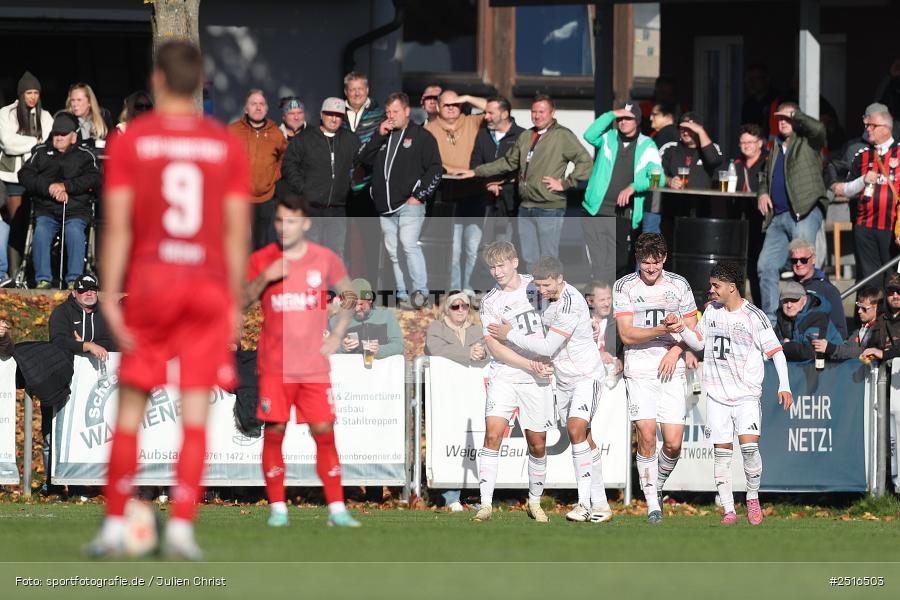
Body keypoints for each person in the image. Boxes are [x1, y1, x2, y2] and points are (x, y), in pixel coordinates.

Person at [88, 40, 251, 559]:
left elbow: (116, 225)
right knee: (197, 413)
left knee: (132, 405)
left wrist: (112, 294)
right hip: (204, 286)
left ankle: (115, 522)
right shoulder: (223, 143)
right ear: (200, 83)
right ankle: (181, 526)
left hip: (155, 282)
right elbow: (235, 231)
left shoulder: (136, 138)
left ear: (157, 80)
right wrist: (234, 303)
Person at [243, 193, 360, 528]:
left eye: (291, 221)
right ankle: (278, 509)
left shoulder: (323, 258)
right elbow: (239, 300)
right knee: (275, 431)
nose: (284, 227)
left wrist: (336, 334)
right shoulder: (262, 258)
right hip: (274, 366)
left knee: (324, 432)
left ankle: (337, 509)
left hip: (313, 367)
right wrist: (265, 278)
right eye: (279, 220)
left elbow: (350, 294)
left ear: (305, 224)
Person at [488, 256, 613, 524]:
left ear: (560, 278)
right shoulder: (543, 295)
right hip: (564, 379)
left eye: (546, 285)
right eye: (538, 285)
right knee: (586, 439)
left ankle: (584, 504)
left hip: (586, 376)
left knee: (576, 430)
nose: (541, 291)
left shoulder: (570, 303)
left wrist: (507, 333)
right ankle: (602, 505)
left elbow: (546, 347)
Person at [674, 261, 793, 526]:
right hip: (717, 395)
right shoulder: (712, 312)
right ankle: (729, 509)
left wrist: (783, 385)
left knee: (750, 449)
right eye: (711, 285)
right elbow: (699, 342)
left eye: (716, 286)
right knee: (722, 453)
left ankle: (752, 497)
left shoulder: (754, 316)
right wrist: (681, 329)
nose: (712, 290)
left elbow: (777, 353)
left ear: (732, 287)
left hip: (746, 396)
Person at [613, 232, 697, 523]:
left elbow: (694, 332)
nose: (650, 269)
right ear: (638, 258)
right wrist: (664, 330)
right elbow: (626, 334)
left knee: (673, 443)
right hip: (638, 369)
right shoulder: (624, 286)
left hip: (671, 368)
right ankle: (652, 505)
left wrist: (676, 350)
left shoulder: (679, 285)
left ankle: (655, 483)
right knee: (647, 436)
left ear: (664, 258)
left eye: (656, 263)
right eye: (645, 263)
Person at [456, 95, 592, 271]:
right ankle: (532, 296)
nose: (537, 116)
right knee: (528, 257)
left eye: (541, 112)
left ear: (552, 112)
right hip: (525, 206)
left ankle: (552, 297)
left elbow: (585, 161)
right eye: (534, 111)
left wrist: (566, 183)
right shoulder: (527, 135)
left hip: (549, 206)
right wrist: (476, 171)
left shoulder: (562, 135)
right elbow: (508, 162)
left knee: (548, 257)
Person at [473, 241, 555, 523]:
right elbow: (495, 348)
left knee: (538, 444)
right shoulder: (490, 302)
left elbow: (563, 314)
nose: (497, 271)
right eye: (492, 267)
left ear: (515, 262)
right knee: (493, 434)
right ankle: (485, 505)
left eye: (501, 265)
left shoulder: (538, 286)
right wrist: (527, 364)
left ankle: (534, 502)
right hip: (506, 374)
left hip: (538, 377)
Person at [358, 92, 441, 309]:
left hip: (409, 205)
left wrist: (419, 195)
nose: (391, 116)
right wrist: (378, 134)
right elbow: (364, 159)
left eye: (395, 111)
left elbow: (435, 169)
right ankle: (403, 295)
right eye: (387, 113)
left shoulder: (422, 136)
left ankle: (421, 294)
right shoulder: (384, 135)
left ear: (406, 111)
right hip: (384, 206)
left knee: (408, 245)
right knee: (394, 253)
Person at [755, 102, 829, 326]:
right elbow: (765, 175)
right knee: (765, 266)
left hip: (804, 211)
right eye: (780, 119)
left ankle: (808, 318)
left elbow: (819, 129)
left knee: (804, 266)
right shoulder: (775, 144)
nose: (783, 122)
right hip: (777, 216)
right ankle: (770, 323)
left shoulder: (808, 141)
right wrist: (762, 193)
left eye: (788, 118)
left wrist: (796, 115)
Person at [581, 101, 664, 285]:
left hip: (623, 213)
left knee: (620, 262)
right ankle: (601, 304)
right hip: (595, 209)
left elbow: (659, 178)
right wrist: (611, 114)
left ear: (637, 121)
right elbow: (589, 134)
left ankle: (615, 301)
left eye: (628, 118)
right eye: (620, 118)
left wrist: (634, 186)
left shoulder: (647, 144)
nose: (623, 122)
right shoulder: (607, 138)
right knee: (598, 262)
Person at [18, 112, 101, 289]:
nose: (58, 138)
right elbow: (24, 175)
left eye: (63, 134)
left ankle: (74, 280)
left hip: (76, 211)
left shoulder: (86, 154)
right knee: (41, 232)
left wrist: (66, 186)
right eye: (56, 134)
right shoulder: (40, 152)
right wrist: (50, 188)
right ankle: (43, 279)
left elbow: (95, 178)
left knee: (74, 233)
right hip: (46, 210)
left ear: (74, 136)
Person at [425, 289, 488, 512]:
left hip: (474, 396)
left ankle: (474, 496)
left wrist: (483, 353)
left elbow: (490, 349)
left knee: (477, 442)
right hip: (447, 397)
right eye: (455, 306)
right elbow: (435, 348)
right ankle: (451, 496)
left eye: (465, 306)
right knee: (450, 440)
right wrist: (467, 353)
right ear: (446, 309)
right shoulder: (437, 328)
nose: (461, 310)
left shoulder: (477, 329)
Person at [424, 90, 488, 293]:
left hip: (475, 192)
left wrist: (468, 98)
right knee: (453, 250)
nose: (451, 108)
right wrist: (451, 170)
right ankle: (453, 293)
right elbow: (429, 161)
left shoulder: (472, 122)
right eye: (446, 105)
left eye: (455, 104)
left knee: (472, 248)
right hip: (447, 194)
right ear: (437, 107)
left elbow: (494, 109)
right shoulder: (430, 129)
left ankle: (469, 291)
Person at [280, 98, 359, 262]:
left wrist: (351, 186)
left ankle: (332, 288)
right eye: (330, 114)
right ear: (321, 115)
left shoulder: (350, 140)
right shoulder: (305, 139)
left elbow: (362, 163)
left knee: (336, 254)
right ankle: (311, 288)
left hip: (337, 209)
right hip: (311, 208)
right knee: (310, 253)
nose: (334, 118)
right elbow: (288, 165)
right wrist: (303, 189)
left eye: (338, 115)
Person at [832, 104, 898, 281]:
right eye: (866, 125)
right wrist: (856, 182)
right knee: (869, 281)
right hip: (864, 226)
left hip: (892, 228)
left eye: (872, 126)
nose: (867, 129)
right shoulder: (862, 155)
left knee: (892, 280)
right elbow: (848, 188)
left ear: (886, 128)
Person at [228, 89, 289, 250]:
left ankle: (258, 275)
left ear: (267, 109)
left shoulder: (276, 134)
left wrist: (274, 176)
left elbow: (285, 156)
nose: (258, 107)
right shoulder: (233, 131)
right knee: (239, 242)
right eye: (253, 104)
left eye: (261, 104)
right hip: (240, 197)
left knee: (260, 242)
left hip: (265, 197)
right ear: (245, 108)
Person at [470, 95, 524, 244]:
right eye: (485, 113)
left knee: (507, 245)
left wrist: (504, 183)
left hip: (512, 201)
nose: (486, 117)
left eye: (490, 113)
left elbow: (523, 167)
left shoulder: (522, 135)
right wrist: (489, 183)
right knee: (483, 247)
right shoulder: (482, 135)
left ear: (505, 114)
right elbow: (475, 165)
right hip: (485, 200)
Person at [0, 71, 53, 223]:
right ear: (21, 93)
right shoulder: (6, 113)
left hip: (38, 176)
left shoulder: (45, 115)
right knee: (17, 223)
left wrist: (26, 141)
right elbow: (8, 143)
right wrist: (36, 142)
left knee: (36, 222)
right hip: (13, 177)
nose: (33, 96)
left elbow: (49, 143)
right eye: (29, 92)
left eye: (36, 92)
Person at [735, 123, 768, 305]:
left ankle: (761, 307)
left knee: (757, 268)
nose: (746, 146)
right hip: (739, 222)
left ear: (760, 143)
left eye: (750, 142)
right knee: (740, 267)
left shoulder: (767, 162)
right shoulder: (736, 164)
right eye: (742, 142)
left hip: (760, 222)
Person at [788, 238, 847, 338]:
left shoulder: (828, 290)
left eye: (803, 260)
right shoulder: (788, 288)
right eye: (794, 260)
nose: (798, 264)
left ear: (813, 259)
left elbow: (841, 331)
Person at [331, 278, 404, 358]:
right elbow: (323, 348)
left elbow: (399, 346)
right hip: (351, 368)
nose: (357, 309)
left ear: (370, 300)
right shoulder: (337, 321)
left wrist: (380, 350)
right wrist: (342, 348)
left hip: (380, 367)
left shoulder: (386, 316)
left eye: (361, 304)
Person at [775, 281, 843, 362]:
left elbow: (810, 353)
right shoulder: (780, 316)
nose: (789, 305)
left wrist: (785, 346)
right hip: (799, 367)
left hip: (831, 366)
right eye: (785, 301)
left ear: (804, 299)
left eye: (794, 300)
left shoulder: (817, 316)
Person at [813, 286, 882, 361]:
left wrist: (831, 348)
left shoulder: (879, 329)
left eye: (864, 309)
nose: (859, 311)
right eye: (858, 307)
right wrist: (825, 349)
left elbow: (863, 352)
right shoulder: (861, 328)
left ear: (877, 308)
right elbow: (846, 348)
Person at [660, 112, 724, 190]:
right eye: (682, 129)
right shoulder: (669, 148)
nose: (686, 133)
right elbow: (655, 173)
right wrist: (669, 181)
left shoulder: (712, 148)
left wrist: (701, 131)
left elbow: (714, 161)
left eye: (690, 129)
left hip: (702, 200)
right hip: (674, 200)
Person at [587, 280, 622, 374]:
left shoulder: (618, 322)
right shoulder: (581, 323)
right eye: (602, 300)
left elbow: (627, 348)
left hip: (613, 378)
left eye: (609, 298)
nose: (607, 304)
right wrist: (598, 355)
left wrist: (621, 361)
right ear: (590, 301)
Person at [66, 83, 111, 149]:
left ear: (89, 102)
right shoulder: (66, 119)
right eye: (73, 100)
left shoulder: (104, 115)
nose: (75, 104)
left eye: (79, 100)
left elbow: (112, 142)